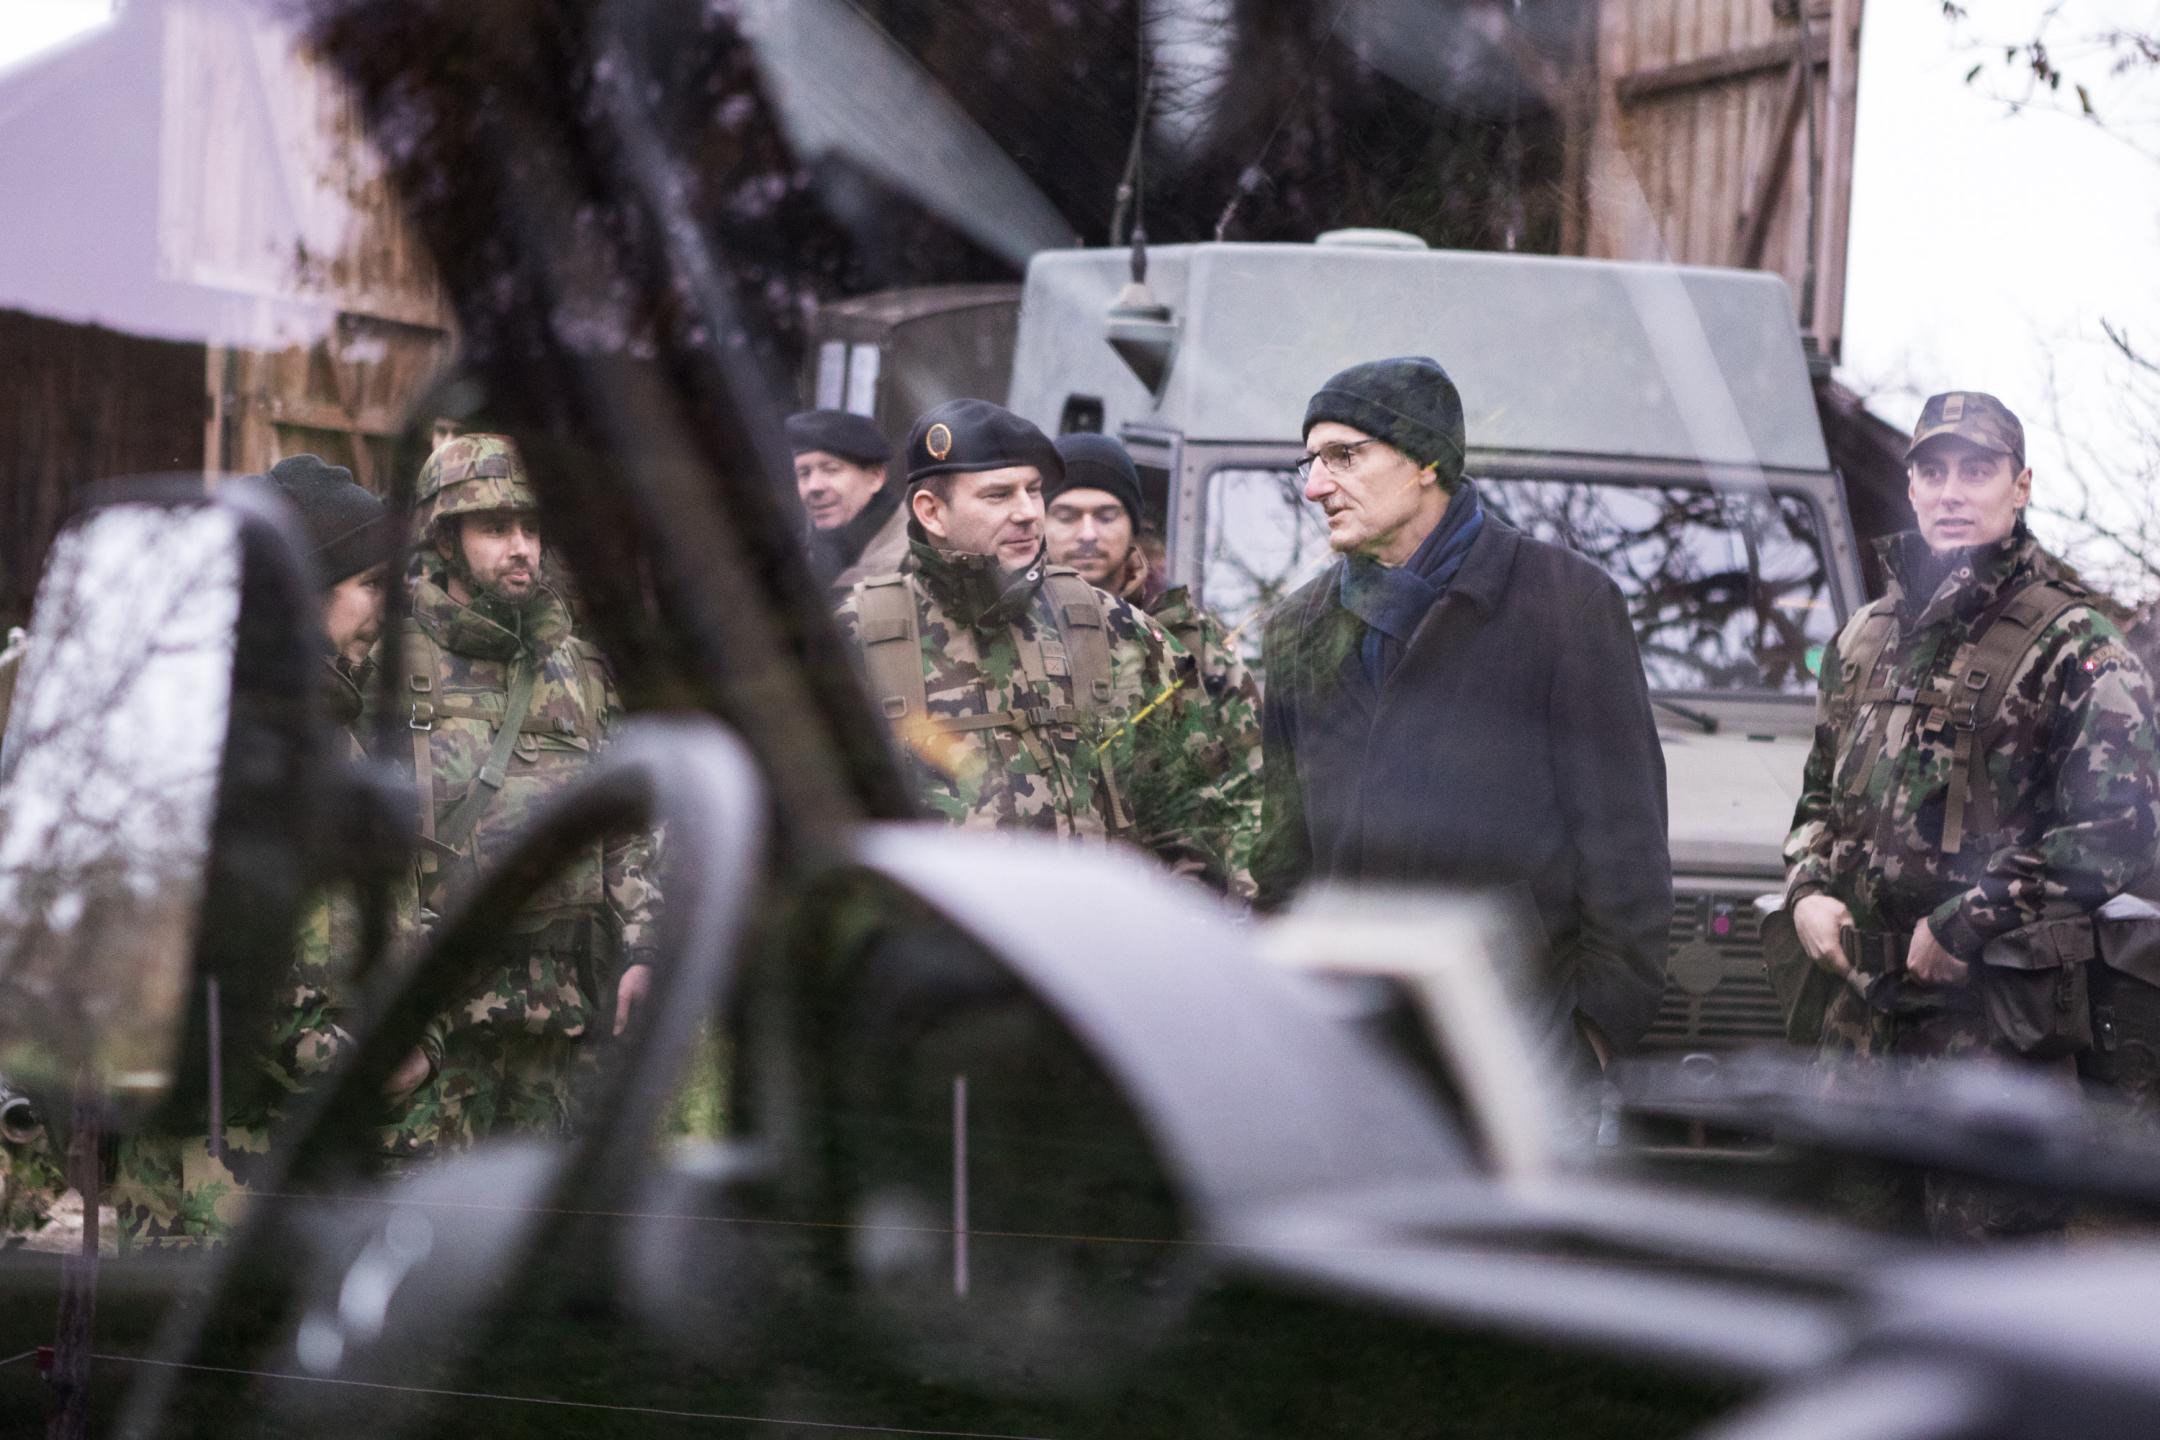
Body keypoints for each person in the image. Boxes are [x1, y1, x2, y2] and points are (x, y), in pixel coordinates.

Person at [1782, 391, 2160, 1241]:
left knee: (1983, 1290)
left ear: (2019, 486)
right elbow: (1816, 798)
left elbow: (2122, 830)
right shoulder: (1862, 639)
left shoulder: (2076, 644)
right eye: (1934, 470)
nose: (1953, 491)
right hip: (1860, 1034)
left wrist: (1967, 922)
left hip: (1995, 1043)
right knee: (1838, 1277)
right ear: (1911, 488)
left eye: (1978, 470)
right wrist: (1807, 885)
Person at [1253, 356, 1671, 1064]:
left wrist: (1593, 1032)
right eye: (1312, 462)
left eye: (1344, 456)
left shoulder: (1565, 604)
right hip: (1349, 1044)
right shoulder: (1299, 629)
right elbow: (1283, 861)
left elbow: (1625, 847)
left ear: (1426, 462)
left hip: (1518, 1041)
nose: (1317, 486)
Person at [113, 454, 413, 1247]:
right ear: (309, 594)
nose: (383, 610)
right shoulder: (249, 741)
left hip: (245, 1151)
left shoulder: (279, 717)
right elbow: (274, 955)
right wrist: (371, 1056)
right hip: (222, 1177)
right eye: (370, 585)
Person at [832, 399, 1254, 896]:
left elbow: (1198, 818)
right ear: (932, 512)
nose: (1028, 513)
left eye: (1034, 490)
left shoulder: (1115, 630)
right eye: (998, 495)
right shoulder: (857, 641)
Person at [379, 433, 660, 1159]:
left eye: (531, 529)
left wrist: (642, 947)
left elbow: (625, 822)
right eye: (495, 527)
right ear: (445, 538)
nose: (521, 548)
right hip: (438, 1013)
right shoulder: (390, 663)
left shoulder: (576, 668)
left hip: (558, 1015)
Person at [1046, 431, 1263, 885]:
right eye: (1066, 515)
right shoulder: (1009, 635)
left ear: (1134, 527)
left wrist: (1237, 901)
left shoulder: (1191, 644)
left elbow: (1247, 789)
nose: (1088, 534)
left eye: (1107, 516)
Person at [790, 408, 907, 595]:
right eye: (803, 473)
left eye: (831, 469)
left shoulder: (915, 558)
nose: (814, 487)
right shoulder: (807, 553)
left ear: (875, 477)